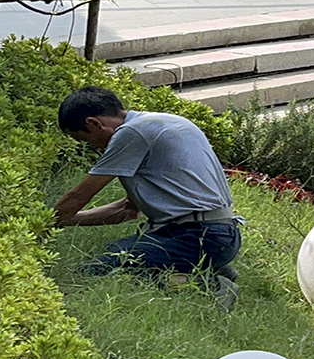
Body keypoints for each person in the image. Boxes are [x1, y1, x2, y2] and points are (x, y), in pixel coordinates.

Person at [53, 85, 241, 301]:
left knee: (102, 269)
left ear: (94, 123)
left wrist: (45, 223)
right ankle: (206, 267)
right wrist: (65, 221)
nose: (93, 147)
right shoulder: (162, 122)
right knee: (117, 250)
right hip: (220, 233)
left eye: (87, 140)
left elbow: (79, 196)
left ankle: (210, 285)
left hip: (199, 235)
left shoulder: (132, 133)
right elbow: (127, 210)